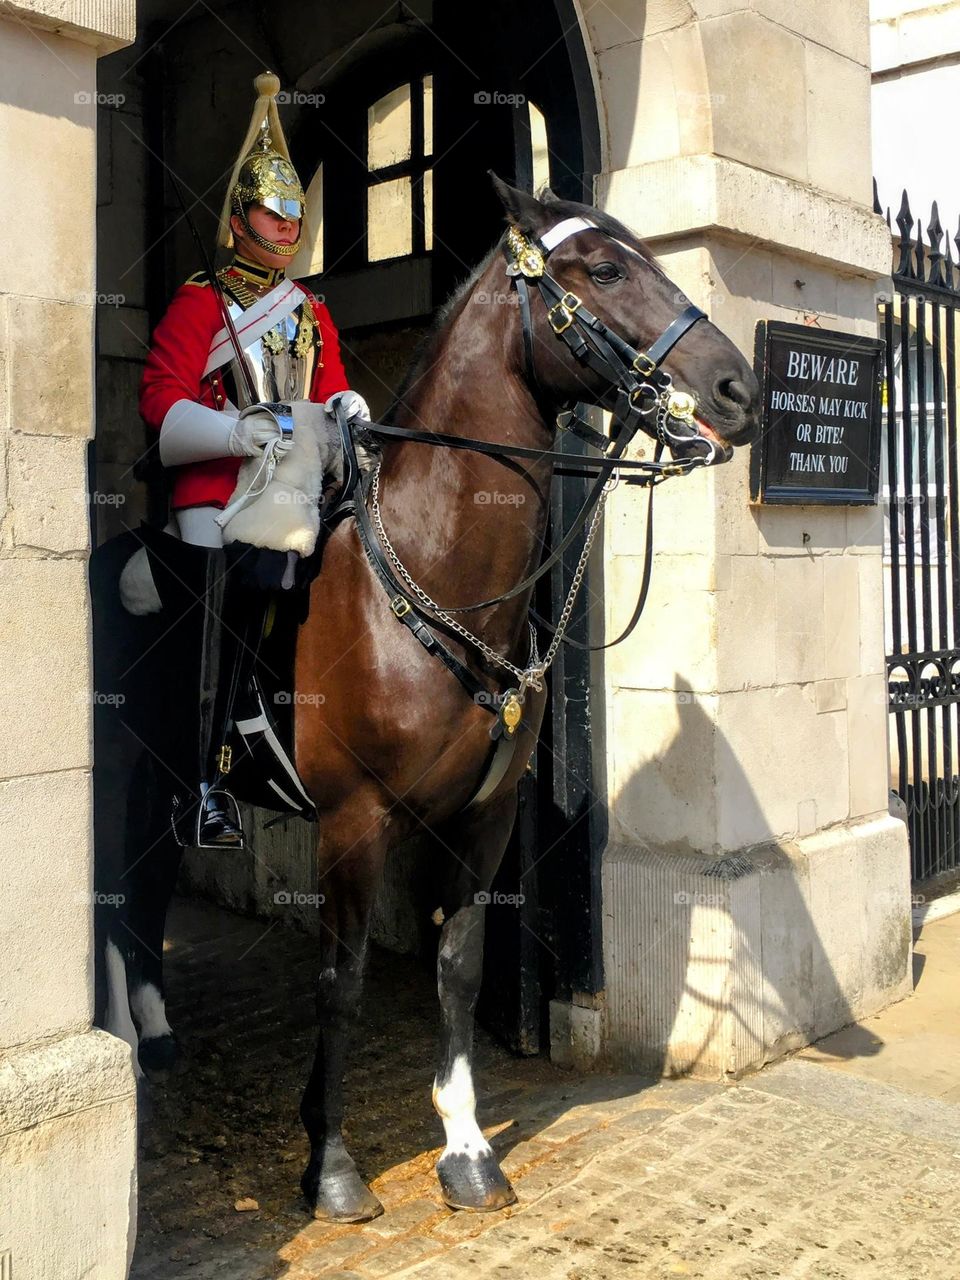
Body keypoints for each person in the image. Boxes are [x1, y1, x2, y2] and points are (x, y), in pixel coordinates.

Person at [139, 71, 369, 849]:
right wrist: (234, 433)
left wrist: (348, 408)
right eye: (273, 212)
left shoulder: (311, 308)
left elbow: (329, 384)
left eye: (293, 213)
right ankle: (203, 780)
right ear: (239, 219)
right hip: (217, 488)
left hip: (296, 483)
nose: (286, 225)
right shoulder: (199, 302)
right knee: (212, 603)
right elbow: (161, 405)